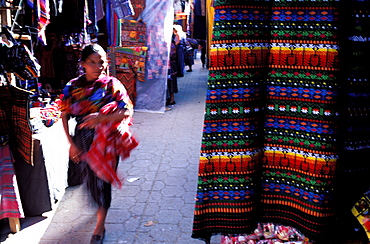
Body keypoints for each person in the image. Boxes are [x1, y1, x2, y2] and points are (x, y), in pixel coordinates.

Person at [60, 43, 138, 244]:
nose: (97, 66)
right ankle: (99, 213)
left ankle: (99, 227)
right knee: (89, 183)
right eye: (92, 62)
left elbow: (126, 111)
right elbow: (64, 114)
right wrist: (71, 143)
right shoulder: (73, 87)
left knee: (103, 182)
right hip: (83, 140)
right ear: (83, 64)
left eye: (101, 62)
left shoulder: (112, 85)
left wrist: (100, 119)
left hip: (108, 143)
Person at [166, 37, 178, 106]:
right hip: (168, 66)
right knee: (169, 82)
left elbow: (172, 55)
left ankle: (172, 99)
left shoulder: (171, 45)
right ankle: (169, 98)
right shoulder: (171, 44)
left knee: (171, 82)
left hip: (170, 66)